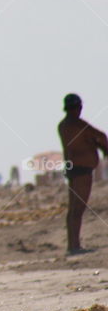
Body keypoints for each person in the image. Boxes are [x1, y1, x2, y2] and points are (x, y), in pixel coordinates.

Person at [58, 93, 108, 255]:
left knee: (73, 209)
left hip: (73, 169)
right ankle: (74, 246)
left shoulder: (63, 125)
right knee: (77, 209)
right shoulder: (78, 125)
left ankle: (73, 244)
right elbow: (101, 136)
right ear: (78, 108)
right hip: (82, 170)